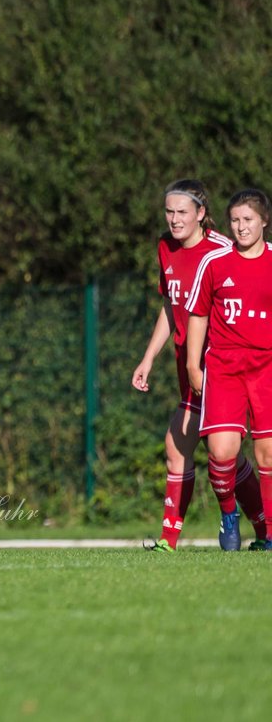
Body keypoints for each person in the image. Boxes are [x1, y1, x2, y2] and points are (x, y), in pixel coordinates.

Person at [132, 180, 267, 552]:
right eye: (169, 211)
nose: (174, 219)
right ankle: (261, 527)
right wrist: (148, 358)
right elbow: (171, 307)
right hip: (188, 368)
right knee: (223, 455)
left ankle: (170, 538)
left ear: (201, 214)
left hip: (218, 369)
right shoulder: (166, 247)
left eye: (182, 212)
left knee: (183, 447)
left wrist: (207, 366)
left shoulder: (223, 250)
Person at [185, 188, 272, 552]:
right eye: (235, 220)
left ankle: (268, 534)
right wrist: (193, 364)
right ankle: (228, 514)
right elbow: (198, 314)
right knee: (222, 452)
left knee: (268, 454)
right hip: (224, 366)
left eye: (248, 220)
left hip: (266, 366)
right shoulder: (216, 263)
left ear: (264, 221)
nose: (241, 227)